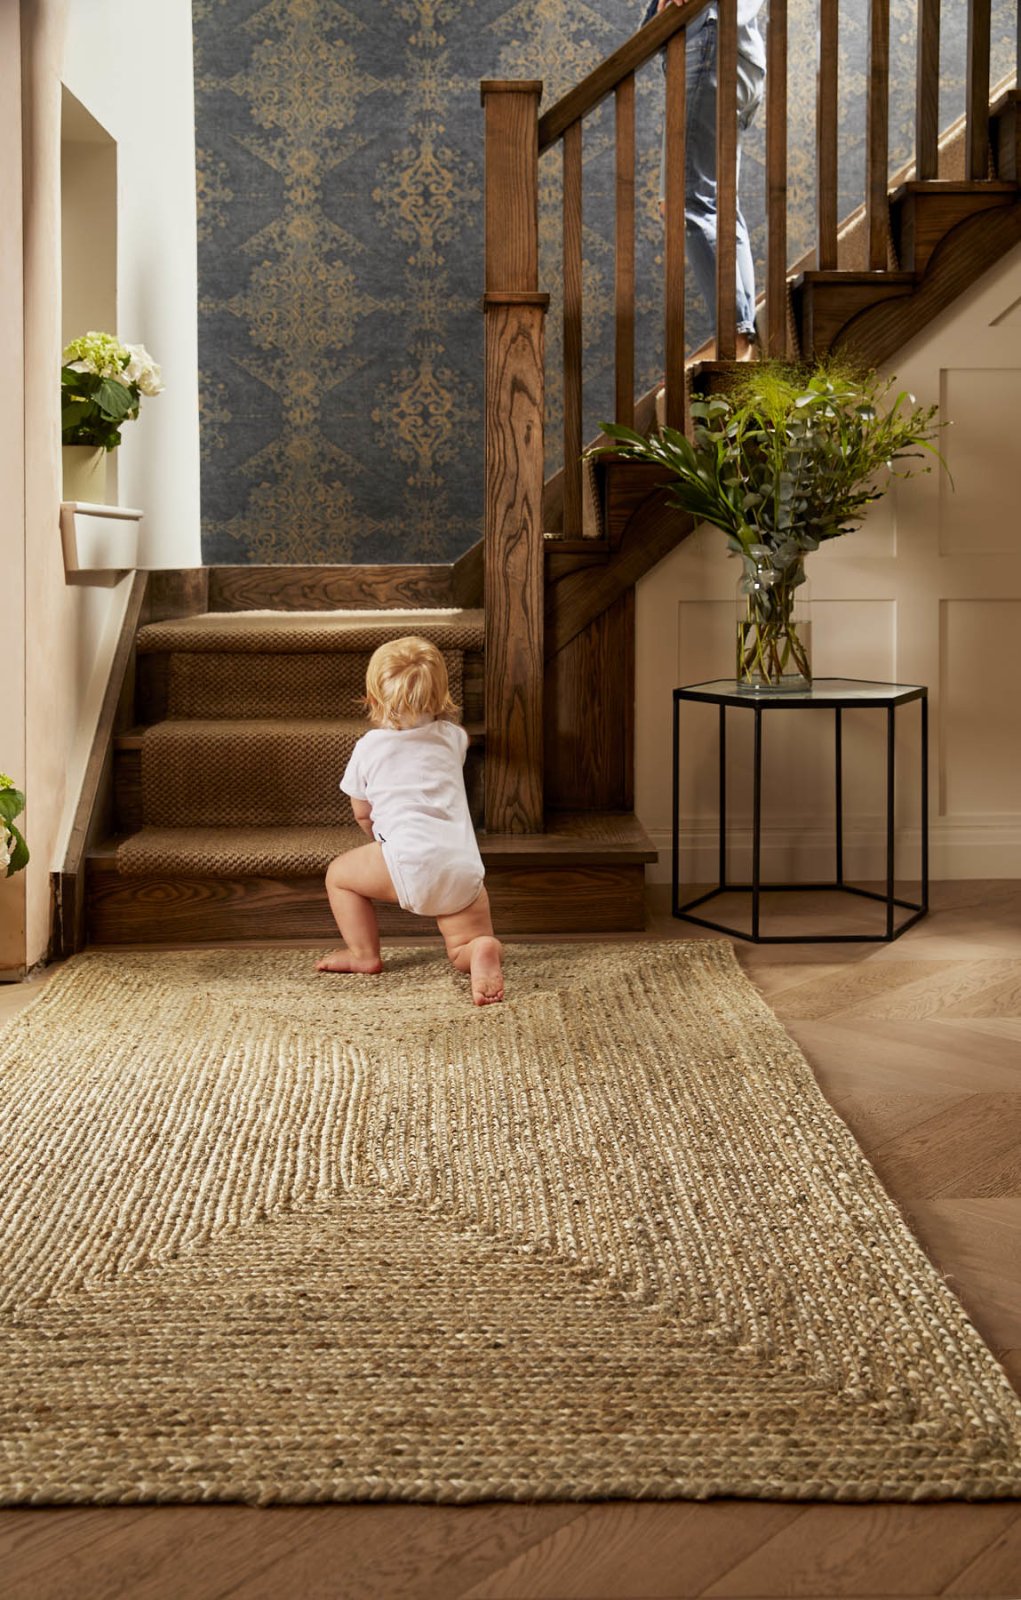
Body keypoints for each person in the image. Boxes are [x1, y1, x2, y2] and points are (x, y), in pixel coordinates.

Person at [317, 636, 504, 1006]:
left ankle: (364, 954)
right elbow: (458, 742)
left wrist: (378, 838)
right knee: (462, 945)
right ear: (442, 697)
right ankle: (479, 949)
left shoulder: (368, 747)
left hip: (407, 861)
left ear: (373, 700)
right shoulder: (453, 737)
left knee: (338, 875)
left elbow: (363, 812)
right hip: (462, 867)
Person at [645, 0, 766, 361]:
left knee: (689, 202)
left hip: (711, 44)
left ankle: (735, 335)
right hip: (730, 49)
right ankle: (739, 333)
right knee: (714, 204)